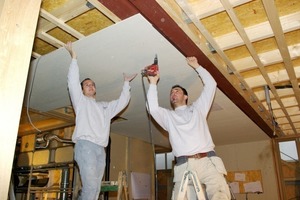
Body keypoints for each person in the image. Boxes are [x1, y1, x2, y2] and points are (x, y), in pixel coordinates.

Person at [146, 56, 230, 200]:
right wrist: (153, 83)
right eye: (171, 92)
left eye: (177, 90)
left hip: (207, 160)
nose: (173, 93)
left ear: (186, 96)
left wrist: (197, 66)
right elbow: (152, 108)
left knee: (220, 194)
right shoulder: (168, 117)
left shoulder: (198, 109)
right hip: (184, 164)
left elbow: (211, 84)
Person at [64, 41, 137, 200]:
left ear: (95, 89)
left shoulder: (104, 107)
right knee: (90, 188)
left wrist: (126, 83)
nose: (90, 86)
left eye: (92, 84)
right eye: (86, 85)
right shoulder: (81, 102)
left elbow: (121, 103)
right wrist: (74, 58)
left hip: (100, 149)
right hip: (86, 146)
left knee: (95, 189)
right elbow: (72, 83)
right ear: (82, 90)